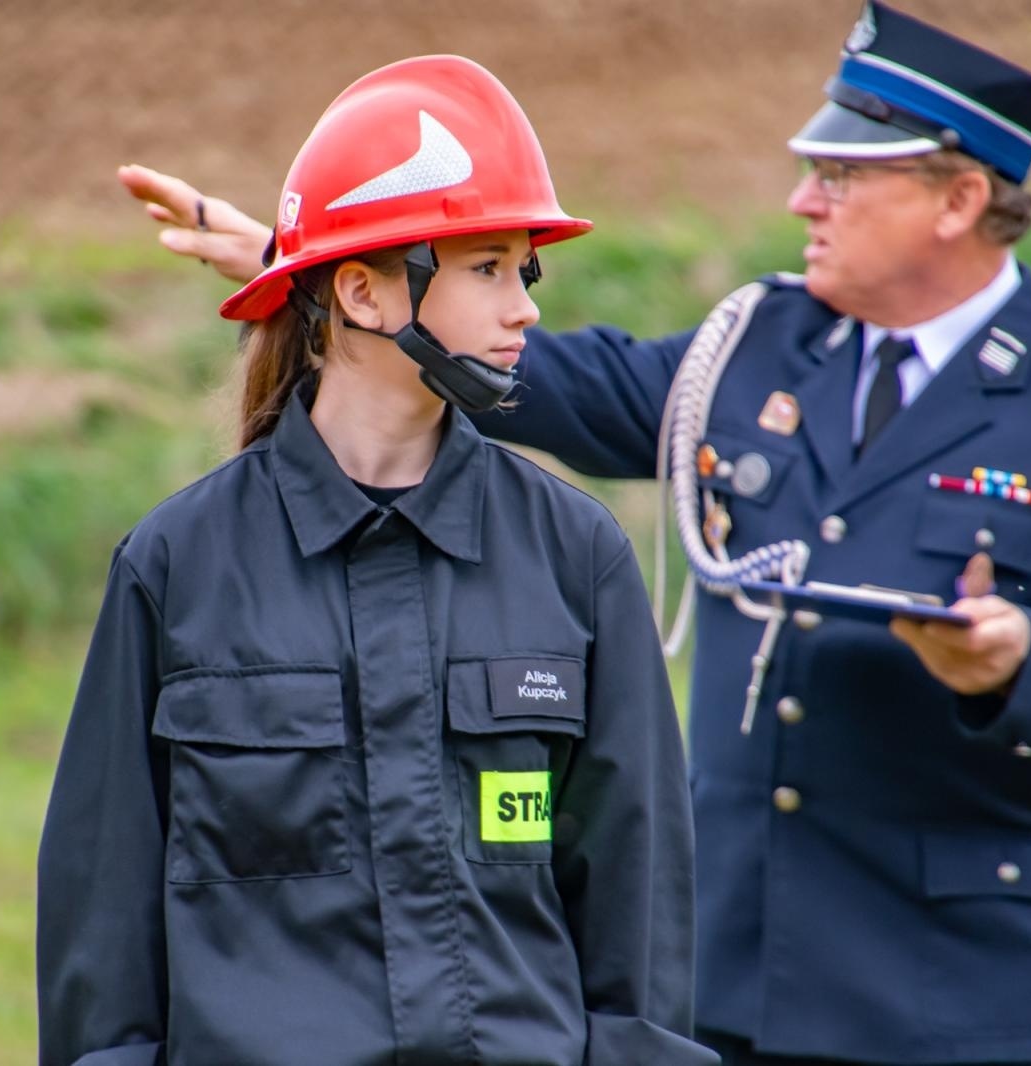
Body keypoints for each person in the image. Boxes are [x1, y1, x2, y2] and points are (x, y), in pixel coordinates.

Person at [121, 4, 1031, 1064]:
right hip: (736, 986)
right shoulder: (757, 344)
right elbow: (516, 364)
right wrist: (305, 256)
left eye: (840, 176)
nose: (804, 201)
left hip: (950, 994)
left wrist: (1016, 667)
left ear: (958, 199)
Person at [39, 54, 713, 1066]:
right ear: (362, 292)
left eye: (523, 269)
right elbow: (104, 934)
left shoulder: (577, 562)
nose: (524, 306)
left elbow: (639, 920)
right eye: (486, 267)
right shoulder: (176, 566)